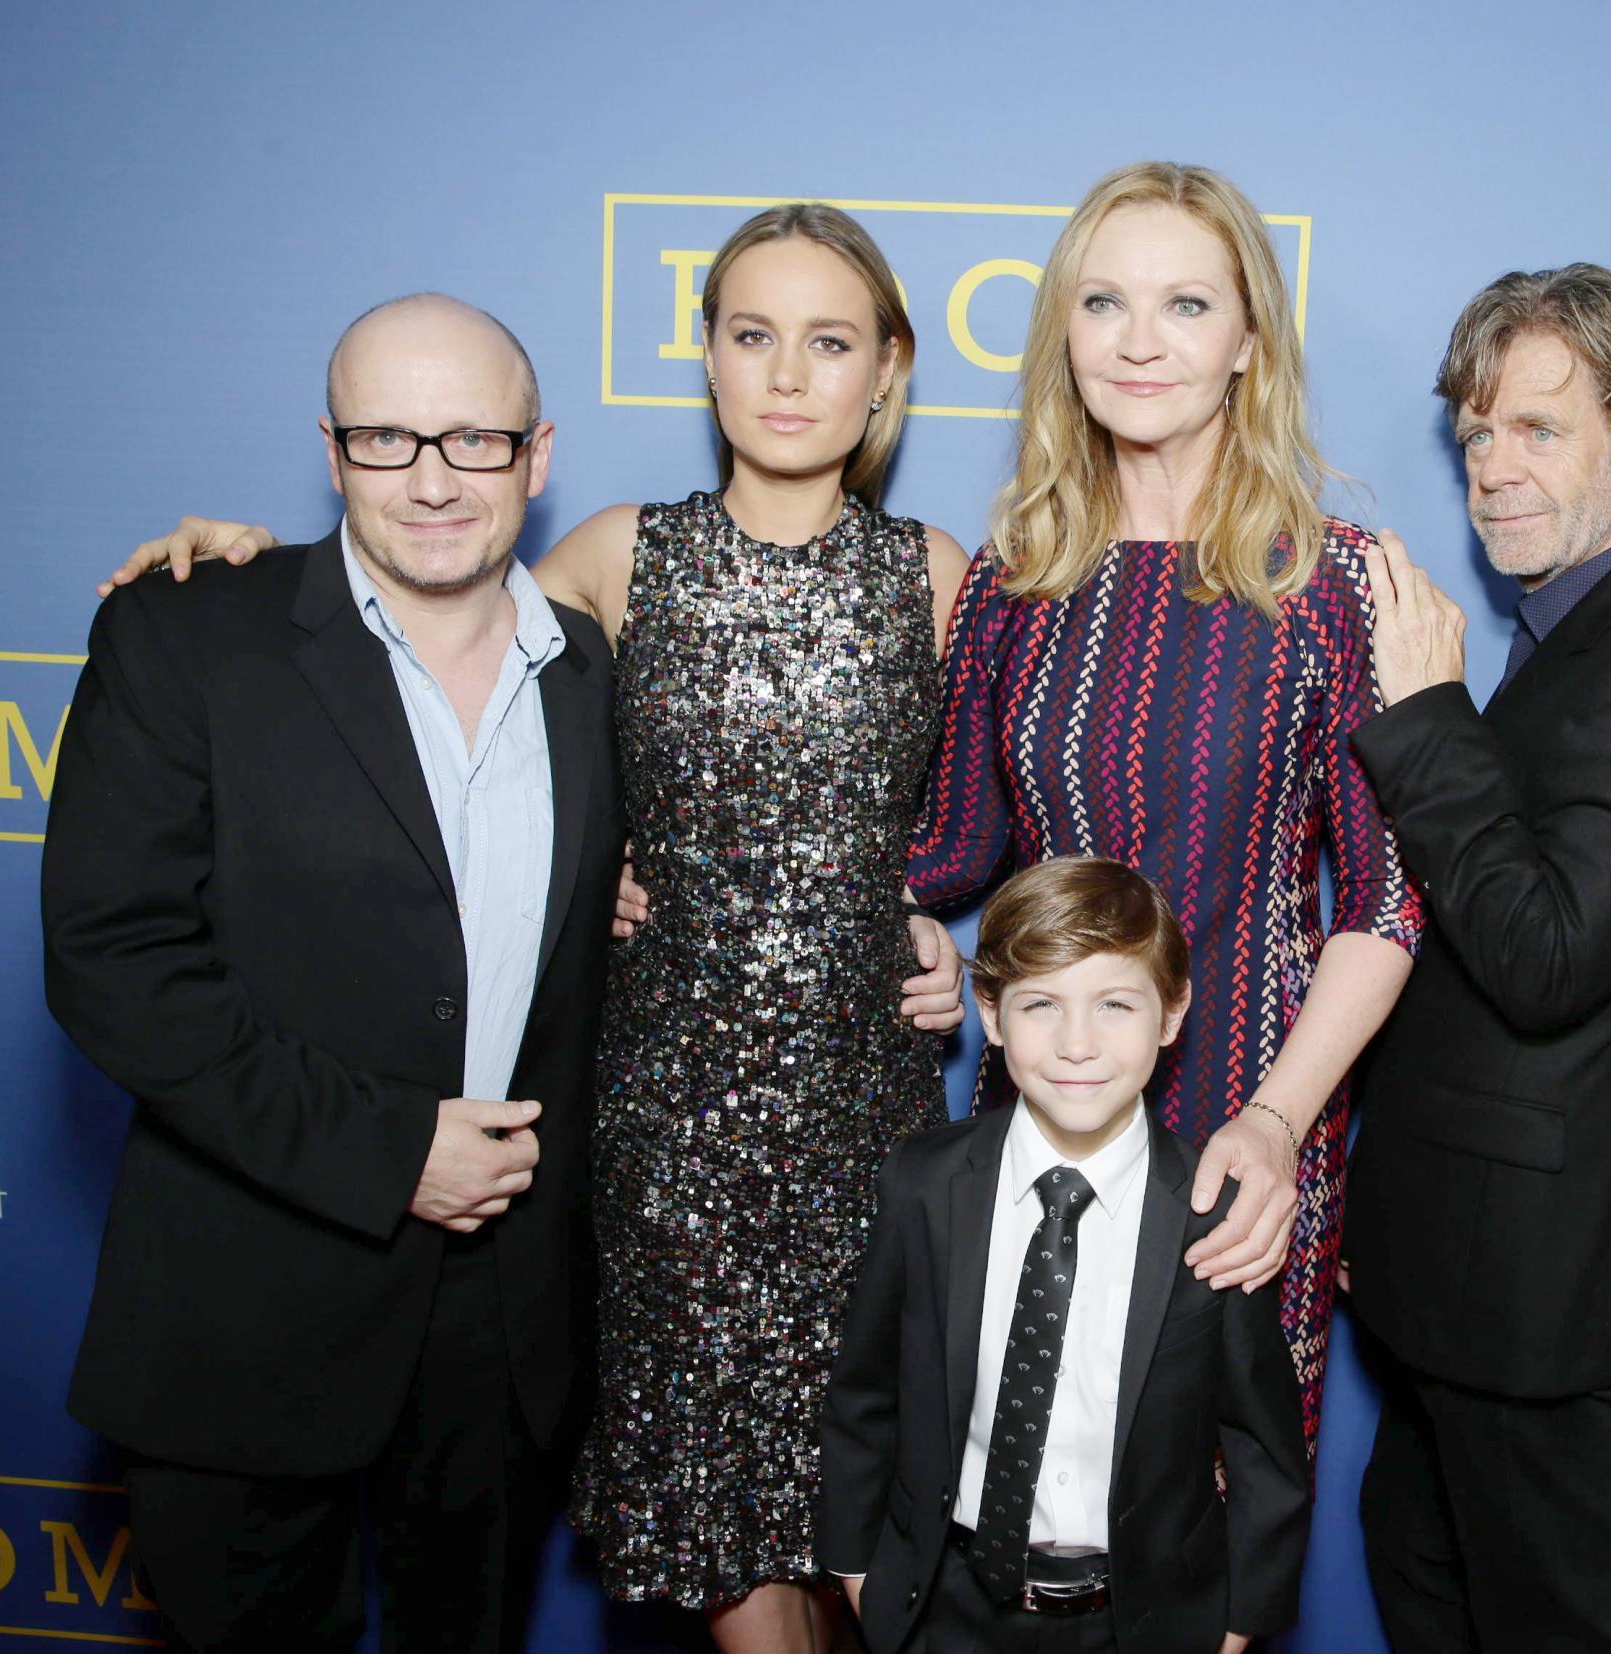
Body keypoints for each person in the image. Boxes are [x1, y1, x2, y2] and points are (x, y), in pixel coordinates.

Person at [98, 204, 970, 1653]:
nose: (788, 375)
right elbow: (411, 594)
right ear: (704, 358)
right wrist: (243, 560)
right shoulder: (617, 559)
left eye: (829, 342)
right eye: (751, 335)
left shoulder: (943, 575)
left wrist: (942, 933)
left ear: (888, 371)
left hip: (859, 1118)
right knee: (728, 1538)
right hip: (666, 1128)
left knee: (875, 1521)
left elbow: (1023, 818)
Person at [42, 293, 624, 1651]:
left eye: (473, 439)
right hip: (248, 1303)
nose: (432, 478)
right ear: (331, 450)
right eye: (387, 437)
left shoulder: (590, 672)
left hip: (503, 1327)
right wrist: (387, 1149)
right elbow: (113, 960)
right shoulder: (186, 632)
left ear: (536, 457)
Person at [906, 161, 1424, 1452]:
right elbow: (953, 847)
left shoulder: (1329, 583)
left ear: (1248, 341)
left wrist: (1275, 1121)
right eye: (1104, 303)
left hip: (1243, 1131)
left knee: (1209, 1547)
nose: (1139, 342)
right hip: (1034, 1124)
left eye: (1185, 305)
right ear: (1060, 336)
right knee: (1016, 1524)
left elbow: (1382, 903)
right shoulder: (1010, 583)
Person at [1343, 265, 1611, 1650]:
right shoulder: (1576, 635)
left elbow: (1541, 956)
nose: (1491, 469)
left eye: (1536, 430)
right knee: (1418, 1562)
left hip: (1534, 1285)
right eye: (1474, 433)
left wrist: (1419, 716)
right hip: (1468, 1267)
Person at [818, 856, 1311, 1654]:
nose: (1077, 1044)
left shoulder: (1215, 1213)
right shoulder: (922, 1183)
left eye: (1115, 1004)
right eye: (1041, 1004)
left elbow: (1262, 1443)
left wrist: (1234, 1626)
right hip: (940, 1606)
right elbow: (864, 1393)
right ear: (994, 1012)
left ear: (1170, 1013)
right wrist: (858, 1572)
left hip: (1140, 1619)